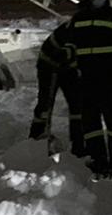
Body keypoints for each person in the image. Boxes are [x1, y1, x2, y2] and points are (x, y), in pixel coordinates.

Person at [69, 0, 112, 175]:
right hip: (89, 79)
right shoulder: (79, 19)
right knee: (91, 123)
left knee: (111, 122)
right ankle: (99, 159)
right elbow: (71, 48)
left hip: (108, 78)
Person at [31, 22, 83, 153]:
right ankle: (37, 138)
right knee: (46, 103)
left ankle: (78, 142)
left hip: (68, 67)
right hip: (50, 65)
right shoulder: (74, 29)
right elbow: (61, 54)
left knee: (77, 104)